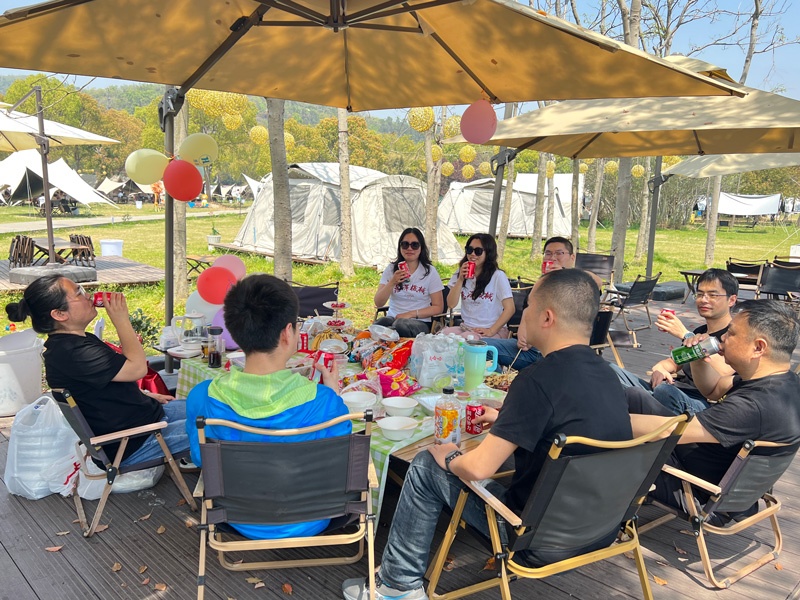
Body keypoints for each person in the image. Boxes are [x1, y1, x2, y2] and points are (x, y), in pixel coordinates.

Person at [342, 269, 632, 600]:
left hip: (531, 537)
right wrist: (506, 419)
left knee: (425, 464)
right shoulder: (609, 375)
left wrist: (449, 456)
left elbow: (478, 468)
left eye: (528, 305)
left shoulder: (536, 379)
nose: (523, 313)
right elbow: (569, 421)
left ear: (547, 317)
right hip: (600, 529)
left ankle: (397, 586)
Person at [185, 274, 350, 540]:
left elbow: (199, 458)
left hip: (237, 516)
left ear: (234, 330)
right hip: (311, 518)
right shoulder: (324, 401)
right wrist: (333, 394)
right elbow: (341, 463)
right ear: (287, 333)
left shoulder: (202, 396)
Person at [629, 300, 800, 524]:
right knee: (634, 396)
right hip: (721, 481)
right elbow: (713, 389)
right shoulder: (784, 382)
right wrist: (697, 357)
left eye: (731, 333)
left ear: (759, 347)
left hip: (697, 492)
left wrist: (603, 420)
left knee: (614, 429)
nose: (723, 338)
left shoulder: (752, 406)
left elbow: (666, 431)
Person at [4, 275, 189, 468]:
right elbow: (138, 369)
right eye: (79, 293)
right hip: (135, 442)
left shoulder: (73, 343)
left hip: (146, 418)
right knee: (212, 425)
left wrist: (145, 394)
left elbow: (102, 388)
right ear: (59, 314)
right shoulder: (73, 353)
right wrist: (121, 319)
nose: (88, 295)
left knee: (205, 405)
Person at [611, 269, 738, 414]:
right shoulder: (700, 331)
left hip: (700, 402)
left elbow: (722, 372)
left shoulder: (734, 335)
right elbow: (673, 362)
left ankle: (640, 404)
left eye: (713, 295)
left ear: (731, 300)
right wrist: (660, 370)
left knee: (662, 392)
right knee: (610, 370)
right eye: (700, 294)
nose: (704, 299)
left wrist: (686, 335)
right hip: (675, 389)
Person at [484, 236, 597, 371]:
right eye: (548, 253)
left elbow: (597, 282)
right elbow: (528, 310)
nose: (553, 258)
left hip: (560, 355)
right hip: (531, 351)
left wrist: (563, 272)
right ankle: (499, 382)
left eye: (559, 253)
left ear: (572, 258)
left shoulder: (580, 287)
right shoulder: (540, 287)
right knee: (482, 347)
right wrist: (523, 333)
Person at [373, 227, 444, 338]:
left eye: (414, 245)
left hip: (420, 321)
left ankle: (392, 337)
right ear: (400, 247)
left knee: (400, 324)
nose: (409, 248)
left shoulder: (429, 271)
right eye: (405, 244)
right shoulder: (391, 269)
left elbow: (438, 307)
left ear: (421, 247)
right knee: (379, 323)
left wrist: (410, 314)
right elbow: (378, 303)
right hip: (393, 317)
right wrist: (392, 282)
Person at [441, 234, 515, 339]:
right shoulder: (461, 272)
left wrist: (491, 330)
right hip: (466, 327)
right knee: (442, 336)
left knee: (465, 340)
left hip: (491, 330)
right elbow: (451, 304)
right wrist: (460, 280)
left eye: (478, 251)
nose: (472, 254)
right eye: (469, 250)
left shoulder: (498, 276)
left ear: (488, 253)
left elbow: (510, 308)